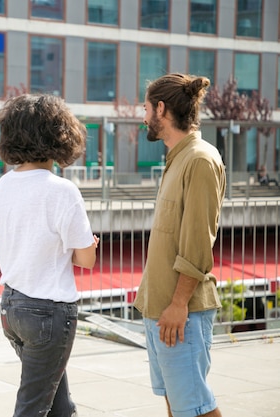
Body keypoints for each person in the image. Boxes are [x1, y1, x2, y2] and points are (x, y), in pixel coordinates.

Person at [0, 94, 99, 417]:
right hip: (48, 312)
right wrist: (90, 244)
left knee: (58, 405)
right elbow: (86, 260)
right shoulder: (62, 191)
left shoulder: (4, 184)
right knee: (33, 407)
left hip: (12, 309)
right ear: (60, 135)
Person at [133, 73, 226, 417]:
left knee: (196, 408)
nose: (143, 117)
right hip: (161, 308)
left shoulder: (200, 159)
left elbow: (199, 241)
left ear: (161, 108)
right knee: (179, 405)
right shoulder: (177, 159)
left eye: (145, 108)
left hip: (179, 310)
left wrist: (178, 303)